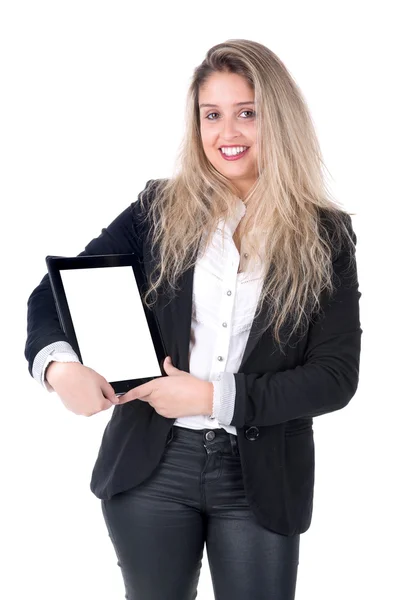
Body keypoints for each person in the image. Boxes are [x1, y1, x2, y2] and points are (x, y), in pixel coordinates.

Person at [24, 39, 362, 600]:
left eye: (246, 113)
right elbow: (54, 294)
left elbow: (334, 377)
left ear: (278, 120)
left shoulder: (325, 236)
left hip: (260, 477)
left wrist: (211, 399)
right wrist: (60, 369)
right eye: (213, 115)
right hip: (151, 468)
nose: (227, 133)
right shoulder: (159, 209)